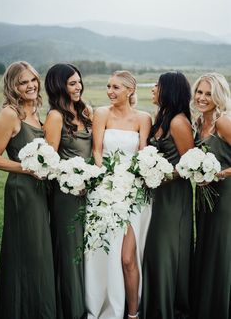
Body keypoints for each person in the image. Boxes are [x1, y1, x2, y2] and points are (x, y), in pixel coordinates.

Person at [85, 70, 152, 319]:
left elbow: (143, 153)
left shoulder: (144, 118)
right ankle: (104, 306)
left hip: (134, 194)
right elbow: (97, 151)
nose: (110, 92)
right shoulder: (101, 113)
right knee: (105, 252)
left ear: (130, 91)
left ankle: (132, 313)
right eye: (108, 86)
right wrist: (107, 183)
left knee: (127, 258)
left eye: (116, 87)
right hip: (105, 191)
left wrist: (134, 181)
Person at [0, 61, 56, 319]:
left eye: (32, 80)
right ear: (13, 86)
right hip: (23, 192)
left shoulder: (37, 111)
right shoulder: (11, 113)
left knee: (40, 252)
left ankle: (37, 306)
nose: (30, 85)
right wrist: (27, 168)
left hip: (41, 190)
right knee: (29, 252)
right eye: (23, 82)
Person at [141, 71, 194, 319]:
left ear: (169, 90)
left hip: (173, 198)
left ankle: (169, 309)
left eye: (157, 85)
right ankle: (153, 306)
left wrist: (160, 175)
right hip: (157, 196)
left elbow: (191, 165)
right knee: (153, 250)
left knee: (165, 251)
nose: (153, 88)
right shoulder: (162, 117)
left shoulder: (178, 122)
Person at [43, 63, 92, 319]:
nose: (78, 87)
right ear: (58, 86)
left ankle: (91, 301)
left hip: (90, 193)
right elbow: (51, 161)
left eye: (79, 81)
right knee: (70, 250)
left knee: (87, 250)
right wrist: (75, 180)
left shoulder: (85, 111)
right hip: (67, 195)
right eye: (72, 83)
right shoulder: (55, 116)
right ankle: (71, 309)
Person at [190, 72, 231, 319]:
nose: (202, 98)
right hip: (205, 198)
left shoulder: (223, 122)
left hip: (226, 197)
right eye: (199, 92)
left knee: (220, 251)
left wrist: (219, 175)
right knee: (205, 247)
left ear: (218, 96)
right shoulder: (198, 123)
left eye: (208, 93)